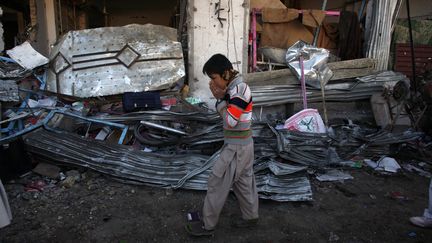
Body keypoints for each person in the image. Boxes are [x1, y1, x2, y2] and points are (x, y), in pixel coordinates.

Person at [185, 54, 259, 236]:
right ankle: (251, 217)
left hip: (236, 147)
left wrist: (219, 100)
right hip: (243, 145)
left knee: (217, 183)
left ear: (226, 73)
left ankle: (207, 226)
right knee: (243, 182)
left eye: (214, 78)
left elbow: (230, 121)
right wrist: (222, 97)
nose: (213, 83)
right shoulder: (233, 88)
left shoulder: (239, 90)